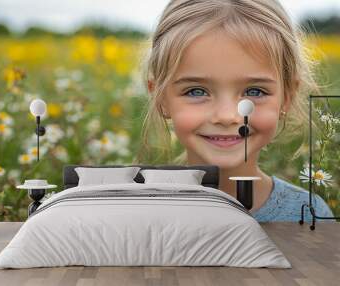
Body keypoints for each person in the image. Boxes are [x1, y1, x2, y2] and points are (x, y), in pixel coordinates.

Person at [137, 0, 334, 222]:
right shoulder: (139, 214)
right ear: (160, 98)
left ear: (286, 97)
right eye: (196, 91)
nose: (227, 116)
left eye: (255, 91)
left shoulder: (308, 215)